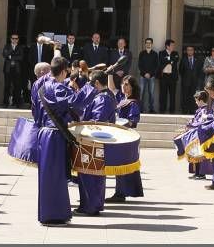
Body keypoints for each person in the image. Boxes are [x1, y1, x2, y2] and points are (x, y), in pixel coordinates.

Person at [34, 56, 93, 226]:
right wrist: (90, 86)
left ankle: (49, 213)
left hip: (44, 134)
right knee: (56, 176)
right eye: (66, 71)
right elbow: (77, 102)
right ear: (62, 71)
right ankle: (54, 214)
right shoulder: (58, 88)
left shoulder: (43, 86)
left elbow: (39, 112)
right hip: (54, 136)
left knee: (48, 176)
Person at [75, 71, 117, 216]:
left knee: (91, 175)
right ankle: (91, 204)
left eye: (92, 84)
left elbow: (97, 122)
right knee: (92, 174)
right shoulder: (106, 96)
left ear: (97, 84)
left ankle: (91, 206)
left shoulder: (103, 98)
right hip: (95, 141)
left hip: (93, 141)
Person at [107, 75, 143, 203]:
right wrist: (110, 74)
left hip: (127, 137)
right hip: (119, 135)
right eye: (123, 83)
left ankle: (120, 193)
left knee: (123, 165)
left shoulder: (133, 103)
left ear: (132, 87)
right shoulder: (122, 98)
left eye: (127, 84)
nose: (124, 86)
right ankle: (120, 192)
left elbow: (133, 121)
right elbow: (111, 89)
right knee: (120, 165)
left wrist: (119, 123)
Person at [187, 91, 213, 180]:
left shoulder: (205, 110)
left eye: (197, 101)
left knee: (199, 155)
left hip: (200, 135)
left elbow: (201, 123)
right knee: (195, 154)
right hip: (195, 134)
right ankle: (197, 172)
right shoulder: (201, 110)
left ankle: (201, 173)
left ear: (201, 100)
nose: (196, 102)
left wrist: (191, 125)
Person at [2, 33, 25, 108]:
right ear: (11, 39)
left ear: (18, 40)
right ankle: (5, 103)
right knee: (7, 86)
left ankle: (17, 103)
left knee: (17, 86)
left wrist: (11, 57)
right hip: (8, 69)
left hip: (17, 69)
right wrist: (12, 49)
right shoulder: (7, 46)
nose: (14, 40)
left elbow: (21, 57)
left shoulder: (20, 47)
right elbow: (4, 55)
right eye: (13, 38)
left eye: (16, 38)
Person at [179, 45, 204, 114]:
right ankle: (184, 110)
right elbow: (180, 71)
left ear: (193, 51)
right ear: (186, 51)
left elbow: (200, 71)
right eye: (188, 50)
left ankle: (192, 110)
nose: (190, 51)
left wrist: (199, 81)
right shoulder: (183, 59)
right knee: (185, 97)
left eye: (191, 50)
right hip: (186, 82)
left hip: (195, 82)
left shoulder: (198, 60)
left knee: (194, 97)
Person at [158, 39, 180, 114]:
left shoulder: (175, 53)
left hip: (172, 76)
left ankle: (172, 110)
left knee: (172, 94)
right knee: (163, 94)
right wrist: (170, 61)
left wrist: (168, 60)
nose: (173, 47)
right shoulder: (161, 53)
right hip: (164, 76)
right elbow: (162, 60)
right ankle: (162, 110)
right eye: (172, 45)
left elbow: (176, 60)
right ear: (167, 46)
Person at [138, 37, 158, 113]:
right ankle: (140, 108)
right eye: (147, 43)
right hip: (142, 76)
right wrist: (145, 73)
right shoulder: (142, 53)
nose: (148, 44)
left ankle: (151, 108)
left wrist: (150, 74)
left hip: (151, 76)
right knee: (141, 93)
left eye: (150, 43)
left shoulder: (155, 54)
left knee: (151, 93)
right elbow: (140, 65)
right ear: (145, 44)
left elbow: (156, 66)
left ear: (152, 44)